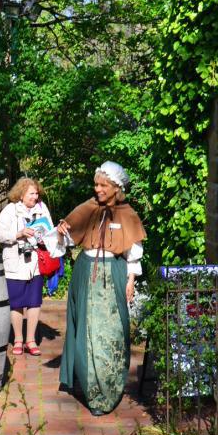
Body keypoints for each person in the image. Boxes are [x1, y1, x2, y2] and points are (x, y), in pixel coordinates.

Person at [54, 161, 146, 415]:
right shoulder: (87, 208)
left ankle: (110, 386)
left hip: (113, 272)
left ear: (116, 187)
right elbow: (67, 239)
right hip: (86, 272)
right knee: (87, 330)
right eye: (96, 184)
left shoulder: (127, 214)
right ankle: (92, 388)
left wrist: (130, 280)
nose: (98, 189)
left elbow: (133, 252)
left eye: (103, 185)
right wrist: (62, 233)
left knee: (113, 331)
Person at [0, 177, 54, 356]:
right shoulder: (10, 210)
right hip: (15, 262)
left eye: (37, 193)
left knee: (35, 302)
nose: (35, 197)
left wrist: (45, 236)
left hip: (36, 263)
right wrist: (18, 234)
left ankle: (31, 340)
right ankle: (18, 340)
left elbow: (50, 232)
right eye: (31, 193)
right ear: (21, 194)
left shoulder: (42, 209)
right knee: (17, 303)